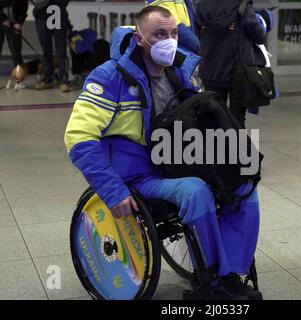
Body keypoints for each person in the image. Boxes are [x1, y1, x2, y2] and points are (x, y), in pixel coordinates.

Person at [64, 6, 262, 300]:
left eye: (173, 33)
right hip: (139, 176)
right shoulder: (109, 78)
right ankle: (211, 281)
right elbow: (78, 138)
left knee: (244, 183)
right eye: (159, 34)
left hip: (177, 162)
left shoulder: (181, 71)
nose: (168, 41)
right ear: (139, 37)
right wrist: (112, 190)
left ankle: (231, 273)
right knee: (196, 191)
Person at [197, 0, 268, 128]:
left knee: (214, 117)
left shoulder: (202, 4)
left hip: (211, 68)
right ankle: (236, 147)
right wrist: (263, 21)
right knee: (237, 119)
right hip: (237, 72)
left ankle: (216, 147)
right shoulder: (241, 4)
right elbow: (258, 34)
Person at [33, 0, 71, 92]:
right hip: (42, 16)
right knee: (46, 49)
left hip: (58, 14)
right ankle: (48, 79)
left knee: (61, 50)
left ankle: (63, 80)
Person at [0, 0, 28, 68]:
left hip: (15, 25)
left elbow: (23, 7)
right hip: (1, 23)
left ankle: (18, 71)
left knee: (16, 49)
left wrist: (19, 23)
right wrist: (3, 19)